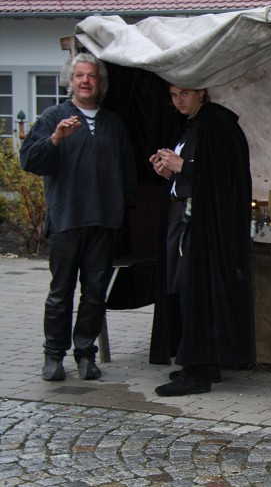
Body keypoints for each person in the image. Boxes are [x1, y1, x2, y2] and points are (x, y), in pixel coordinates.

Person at [19, 52, 137, 382]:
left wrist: (122, 209)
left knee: (95, 293)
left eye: (92, 76)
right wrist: (56, 138)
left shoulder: (113, 123)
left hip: (103, 221)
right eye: (79, 75)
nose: (85, 81)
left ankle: (86, 354)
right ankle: (53, 355)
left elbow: (127, 169)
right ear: (70, 81)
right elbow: (29, 160)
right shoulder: (53, 117)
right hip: (67, 220)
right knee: (60, 293)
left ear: (101, 83)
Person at [149, 85, 254, 397]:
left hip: (207, 229)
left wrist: (183, 166)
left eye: (185, 93)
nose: (179, 100)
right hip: (187, 223)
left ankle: (198, 369)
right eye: (172, 94)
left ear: (202, 92)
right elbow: (198, 175)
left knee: (197, 292)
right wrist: (171, 173)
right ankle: (200, 361)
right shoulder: (191, 126)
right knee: (186, 291)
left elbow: (225, 176)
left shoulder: (217, 125)